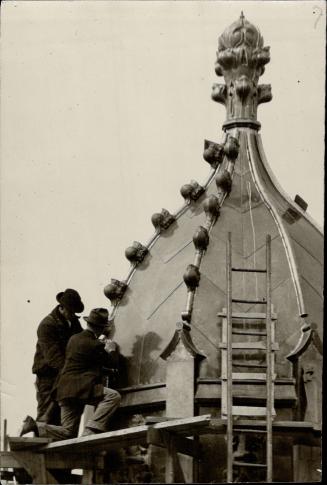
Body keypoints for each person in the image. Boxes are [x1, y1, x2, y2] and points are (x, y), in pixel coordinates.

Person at [20, 308, 121, 439]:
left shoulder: (74, 339)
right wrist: (112, 350)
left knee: (68, 433)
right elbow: (112, 362)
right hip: (80, 390)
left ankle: (34, 426)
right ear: (102, 328)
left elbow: (85, 362)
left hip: (63, 391)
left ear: (88, 323)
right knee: (113, 396)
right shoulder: (95, 345)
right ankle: (91, 431)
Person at [31, 288, 84, 425]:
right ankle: (38, 441)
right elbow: (53, 358)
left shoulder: (72, 321)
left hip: (64, 374)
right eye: (71, 311)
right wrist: (71, 372)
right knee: (46, 414)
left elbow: (81, 340)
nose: (73, 315)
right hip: (48, 377)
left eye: (74, 312)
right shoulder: (47, 325)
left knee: (61, 416)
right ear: (62, 308)